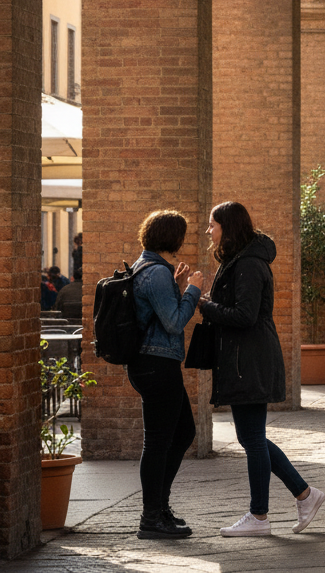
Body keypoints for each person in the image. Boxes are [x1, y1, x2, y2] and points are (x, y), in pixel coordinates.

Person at [201, 201, 325, 537]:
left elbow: (245, 316)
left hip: (250, 360)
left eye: (212, 225)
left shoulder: (249, 264)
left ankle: (259, 516)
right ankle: (304, 494)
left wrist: (204, 305)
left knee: (252, 439)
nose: (209, 231)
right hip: (247, 358)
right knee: (251, 437)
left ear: (228, 226)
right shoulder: (241, 261)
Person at [126, 210, 204, 540]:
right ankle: (151, 517)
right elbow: (173, 323)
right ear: (172, 237)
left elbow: (157, 313)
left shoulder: (148, 268)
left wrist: (177, 286)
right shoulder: (155, 272)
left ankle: (158, 508)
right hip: (156, 364)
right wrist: (193, 291)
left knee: (183, 431)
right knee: (159, 440)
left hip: (153, 364)